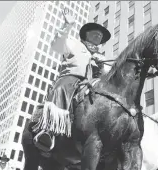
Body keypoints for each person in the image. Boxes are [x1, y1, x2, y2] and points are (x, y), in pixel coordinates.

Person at [30, 8, 112, 152]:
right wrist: (67, 25)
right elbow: (56, 45)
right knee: (62, 88)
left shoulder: (102, 57)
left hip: (92, 85)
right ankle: (48, 131)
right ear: (86, 34)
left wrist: (100, 68)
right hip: (71, 79)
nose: (99, 34)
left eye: (101, 35)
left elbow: (109, 75)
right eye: (95, 31)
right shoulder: (74, 44)